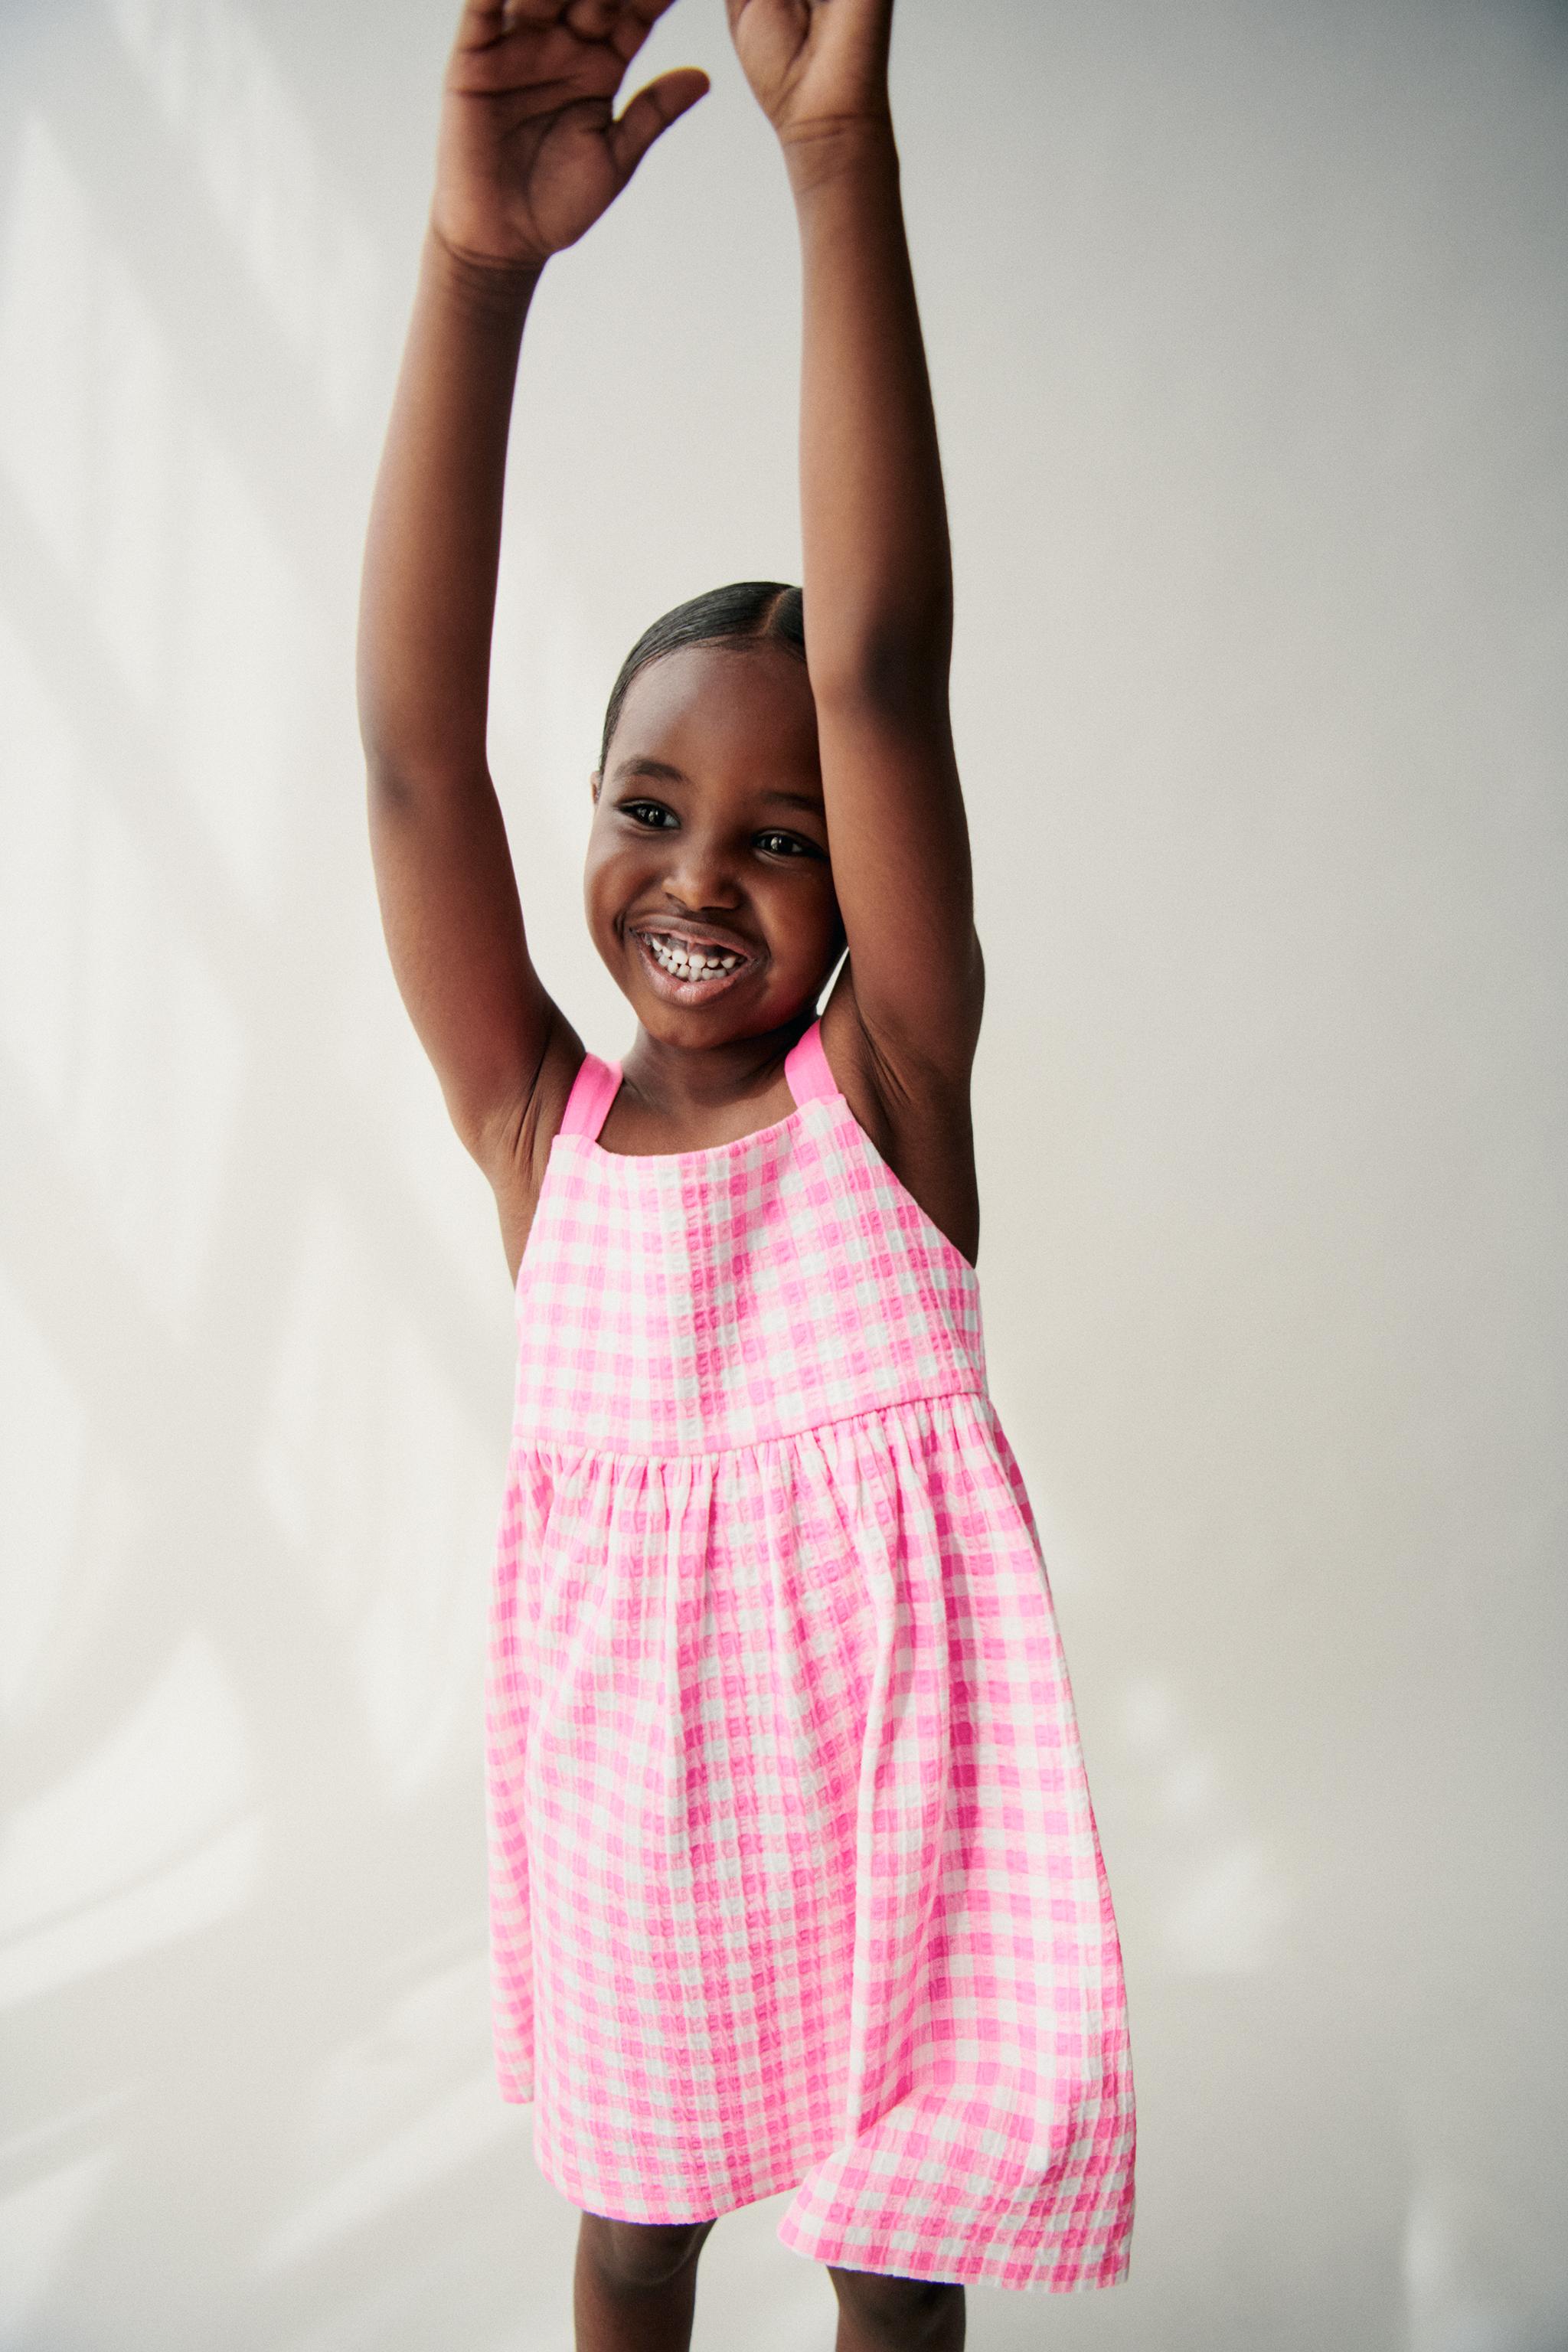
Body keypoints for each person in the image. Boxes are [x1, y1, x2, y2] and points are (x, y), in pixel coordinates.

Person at [356, 1, 1135, 2343]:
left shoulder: (888, 1095)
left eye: (787, 838)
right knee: (634, 2246)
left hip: (912, 1823)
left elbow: (886, 662)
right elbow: (410, 762)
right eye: (649, 805)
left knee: (900, 2292)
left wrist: (835, 164)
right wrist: (474, 274)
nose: (706, 872)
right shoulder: (542, 1132)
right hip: (641, 1850)